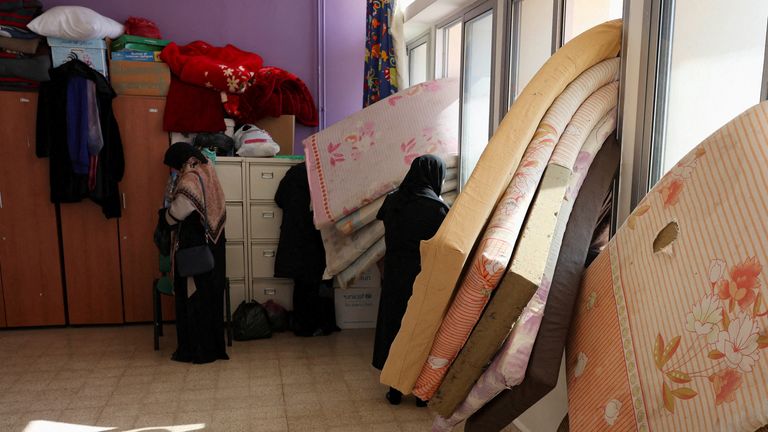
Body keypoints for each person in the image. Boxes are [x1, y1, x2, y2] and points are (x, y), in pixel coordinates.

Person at [372, 154, 450, 406]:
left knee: (394, 326)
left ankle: (395, 389)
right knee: (420, 330)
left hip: (394, 274)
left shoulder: (393, 201)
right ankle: (420, 393)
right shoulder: (438, 209)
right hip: (422, 277)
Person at [161, 142, 228, 364]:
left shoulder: (190, 176)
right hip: (213, 246)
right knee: (210, 297)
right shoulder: (208, 170)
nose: (173, 171)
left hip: (194, 247)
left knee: (193, 297)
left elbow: (181, 210)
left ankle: (196, 350)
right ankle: (212, 346)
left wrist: (166, 217)